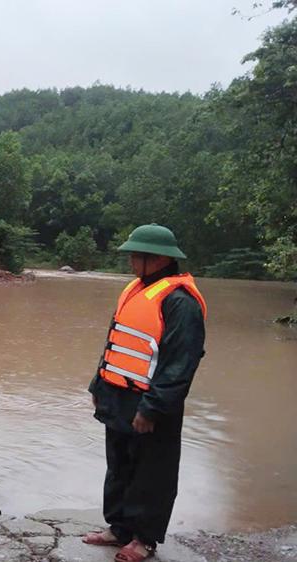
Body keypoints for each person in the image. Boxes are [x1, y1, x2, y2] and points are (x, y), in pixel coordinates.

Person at [83, 224, 207, 562]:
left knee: (152, 472)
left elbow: (180, 365)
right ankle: (119, 528)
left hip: (152, 402)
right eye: (133, 255)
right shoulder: (134, 290)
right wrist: (99, 385)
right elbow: (116, 341)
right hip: (118, 396)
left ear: (161, 260)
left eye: (138, 256)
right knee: (119, 465)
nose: (132, 261)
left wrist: (152, 408)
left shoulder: (181, 303)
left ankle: (144, 539)